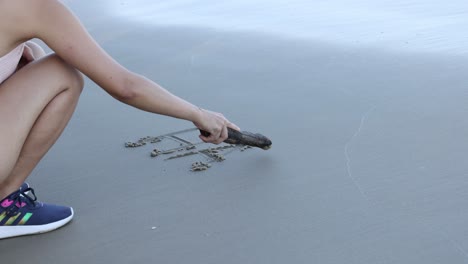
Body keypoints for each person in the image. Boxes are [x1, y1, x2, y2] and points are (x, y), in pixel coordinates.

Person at [0, 0, 240, 239]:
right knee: (62, 71)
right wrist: (198, 114)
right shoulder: (34, 8)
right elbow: (126, 87)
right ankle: (4, 205)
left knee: (34, 55)